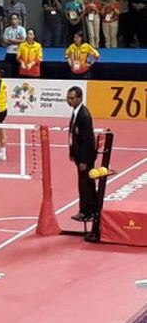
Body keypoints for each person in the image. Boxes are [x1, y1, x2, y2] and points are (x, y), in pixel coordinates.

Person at [66, 86, 98, 222]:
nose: (69, 101)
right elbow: (74, 135)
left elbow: (88, 140)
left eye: (72, 98)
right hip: (79, 155)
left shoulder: (84, 115)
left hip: (85, 157)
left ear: (79, 98)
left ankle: (86, 212)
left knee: (85, 184)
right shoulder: (76, 112)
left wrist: (84, 160)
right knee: (86, 183)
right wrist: (72, 152)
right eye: (68, 98)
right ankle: (92, 210)